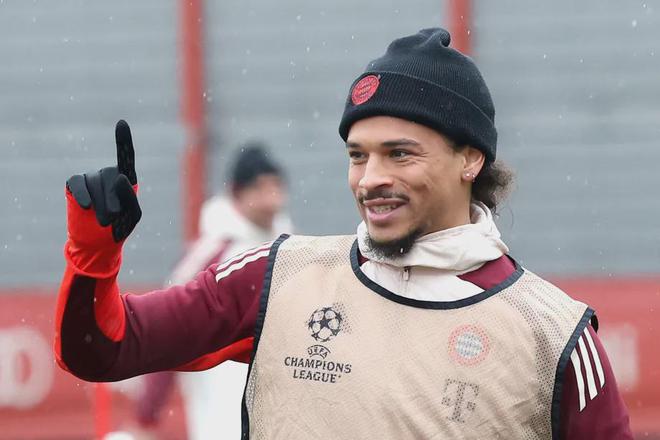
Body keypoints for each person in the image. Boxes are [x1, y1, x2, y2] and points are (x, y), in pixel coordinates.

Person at [55, 28, 632, 439]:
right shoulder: (276, 276)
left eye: (399, 154)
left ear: (470, 160)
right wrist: (93, 256)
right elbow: (101, 349)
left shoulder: (554, 335)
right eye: (358, 155)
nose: (370, 178)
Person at [132, 145, 291, 439]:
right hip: (221, 415)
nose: (271, 198)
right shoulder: (211, 255)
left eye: (275, 186)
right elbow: (169, 330)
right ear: (238, 193)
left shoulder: (290, 250)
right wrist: (147, 415)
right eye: (260, 188)